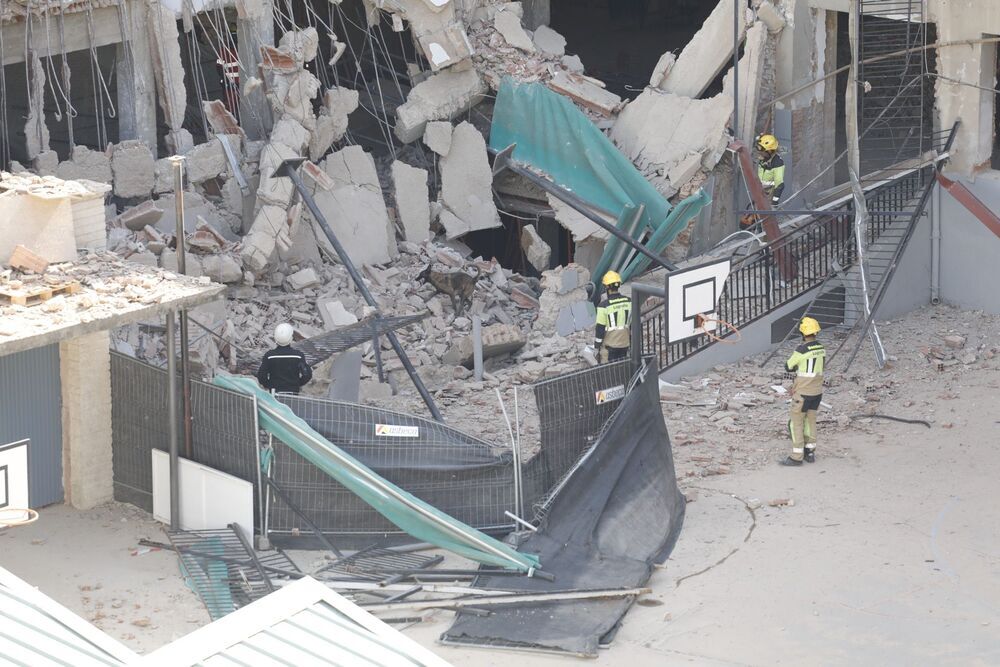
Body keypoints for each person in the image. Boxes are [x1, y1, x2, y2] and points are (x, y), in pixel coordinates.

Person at [780, 317, 825, 466]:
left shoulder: (801, 350)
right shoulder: (821, 348)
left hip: (802, 393)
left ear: (803, 333)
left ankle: (796, 457)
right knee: (811, 421)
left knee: (796, 423)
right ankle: (810, 452)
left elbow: (788, 366)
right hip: (817, 393)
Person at [257, 323, 313, 394]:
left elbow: (261, 377)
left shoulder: (269, 356)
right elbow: (307, 374)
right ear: (291, 338)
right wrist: (297, 384)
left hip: (275, 394)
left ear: (275, 338)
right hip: (293, 394)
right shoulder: (298, 356)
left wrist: (269, 385)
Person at [594, 271, 632, 363]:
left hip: (609, 347)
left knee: (609, 373)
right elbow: (632, 323)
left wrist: (596, 347)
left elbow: (600, 329)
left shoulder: (603, 306)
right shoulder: (629, 301)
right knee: (622, 369)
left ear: (607, 287)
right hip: (625, 344)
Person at [755, 134, 786, 207]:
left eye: (763, 151)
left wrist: (774, 203)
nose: (760, 153)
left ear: (770, 151)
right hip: (760, 193)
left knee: (764, 216)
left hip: (768, 196)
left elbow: (780, 185)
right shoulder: (763, 158)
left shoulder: (777, 163)